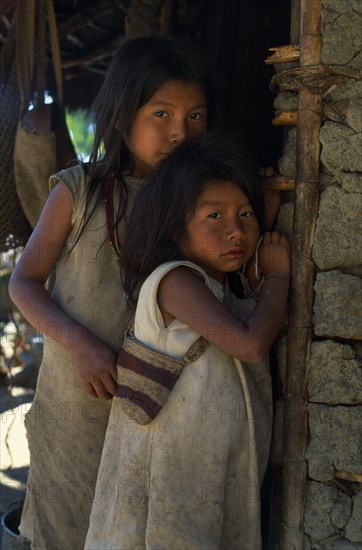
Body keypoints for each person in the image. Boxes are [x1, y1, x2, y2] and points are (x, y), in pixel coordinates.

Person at [8, 36, 217, 550]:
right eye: (162, 114)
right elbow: (24, 282)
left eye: (195, 116)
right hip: (77, 410)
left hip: (162, 411)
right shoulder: (79, 190)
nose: (179, 132)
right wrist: (80, 344)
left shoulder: (203, 200)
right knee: (68, 526)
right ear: (123, 115)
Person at [84, 133, 290, 549]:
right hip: (164, 489)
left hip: (204, 485)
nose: (236, 230)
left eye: (245, 214)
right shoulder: (175, 281)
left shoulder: (222, 291)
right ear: (176, 226)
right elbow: (249, 344)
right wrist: (278, 279)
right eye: (215, 216)